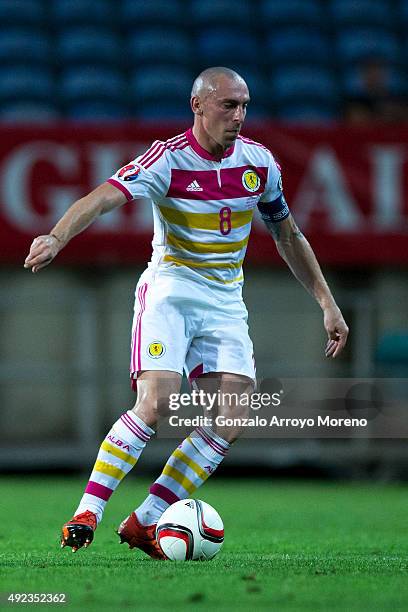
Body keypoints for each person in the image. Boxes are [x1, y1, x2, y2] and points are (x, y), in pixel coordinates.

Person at [24, 67, 349, 559]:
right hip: (171, 291)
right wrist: (57, 235)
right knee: (157, 404)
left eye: (244, 105)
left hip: (224, 302)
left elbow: (288, 235)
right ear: (197, 106)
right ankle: (88, 510)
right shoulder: (168, 159)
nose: (238, 116)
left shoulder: (259, 164)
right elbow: (102, 197)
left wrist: (327, 302)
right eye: (228, 105)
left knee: (232, 418)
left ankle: (145, 521)